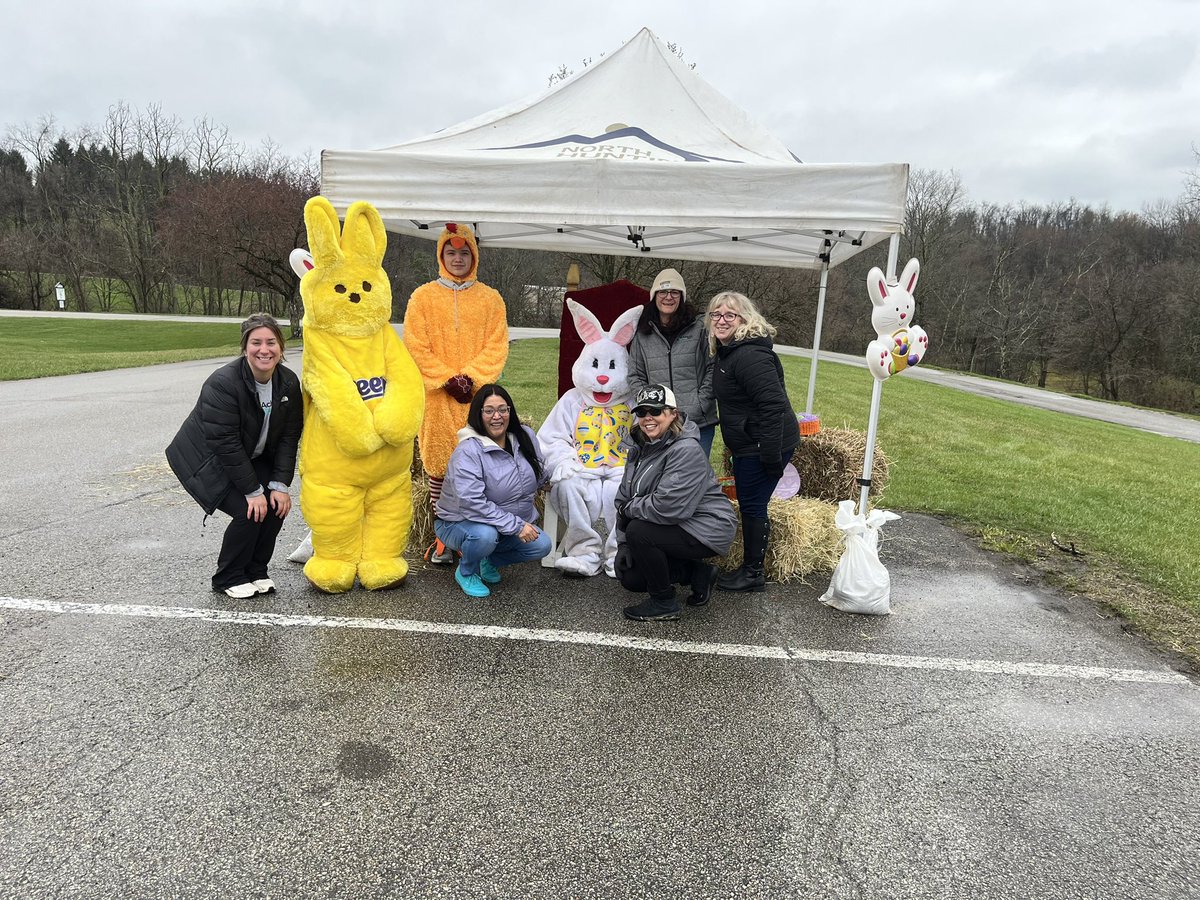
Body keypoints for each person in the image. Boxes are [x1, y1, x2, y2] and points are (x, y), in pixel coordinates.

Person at [167, 313, 303, 598]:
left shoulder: (288, 382)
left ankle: (255, 570)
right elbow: (225, 443)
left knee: (276, 505)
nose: (264, 350)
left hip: (249, 457)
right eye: (256, 342)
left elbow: (289, 437)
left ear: (281, 347)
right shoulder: (223, 383)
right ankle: (227, 576)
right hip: (208, 460)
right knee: (249, 510)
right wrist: (253, 491)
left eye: (271, 342)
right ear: (244, 347)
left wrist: (280, 485)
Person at [404, 223, 510, 564]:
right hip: (437, 397)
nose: (458, 258)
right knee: (438, 466)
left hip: (477, 399)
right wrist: (446, 378)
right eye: (452, 252)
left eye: (465, 252)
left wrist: (473, 379)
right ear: (441, 255)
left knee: (476, 468)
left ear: (474, 256)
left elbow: (497, 344)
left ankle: (474, 538)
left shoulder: (491, 299)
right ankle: (443, 539)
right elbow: (415, 344)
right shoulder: (422, 297)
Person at [613, 384, 737, 621]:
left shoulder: (686, 449)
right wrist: (624, 545)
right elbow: (623, 498)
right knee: (632, 578)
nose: (648, 418)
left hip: (708, 526)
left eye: (656, 411)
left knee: (639, 530)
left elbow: (669, 507)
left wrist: (630, 515)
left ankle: (664, 602)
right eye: (642, 412)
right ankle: (697, 573)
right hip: (674, 524)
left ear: (673, 414)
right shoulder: (639, 448)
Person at [707, 291, 799, 593]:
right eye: (716, 315)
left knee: (754, 506)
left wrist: (770, 456)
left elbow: (773, 405)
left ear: (744, 319)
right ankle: (750, 568)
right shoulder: (728, 351)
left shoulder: (749, 356)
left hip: (764, 443)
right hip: (750, 442)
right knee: (750, 504)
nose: (721, 320)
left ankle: (753, 573)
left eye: (729, 315)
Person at [434, 384, 553, 598]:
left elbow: (538, 469)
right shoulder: (468, 451)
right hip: (459, 523)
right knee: (484, 535)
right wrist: (516, 526)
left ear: (510, 411)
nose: (496, 416)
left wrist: (555, 479)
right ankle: (466, 571)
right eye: (489, 410)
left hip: (503, 524)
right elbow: (472, 503)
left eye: (503, 409)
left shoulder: (524, 435)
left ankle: (487, 561)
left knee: (542, 545)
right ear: (478, 414)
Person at [626, 268, 717, 458]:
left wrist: (700, 403)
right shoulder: (643, 332)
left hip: (697, 421)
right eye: (663, 292)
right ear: (654, 296)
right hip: (659, 424)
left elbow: (713, 367)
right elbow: (635, 375)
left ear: (682, 297)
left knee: (694, 479)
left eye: (675, 292)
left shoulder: (699, 327)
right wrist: (650, 408)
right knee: (661, 479)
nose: (668, 297)